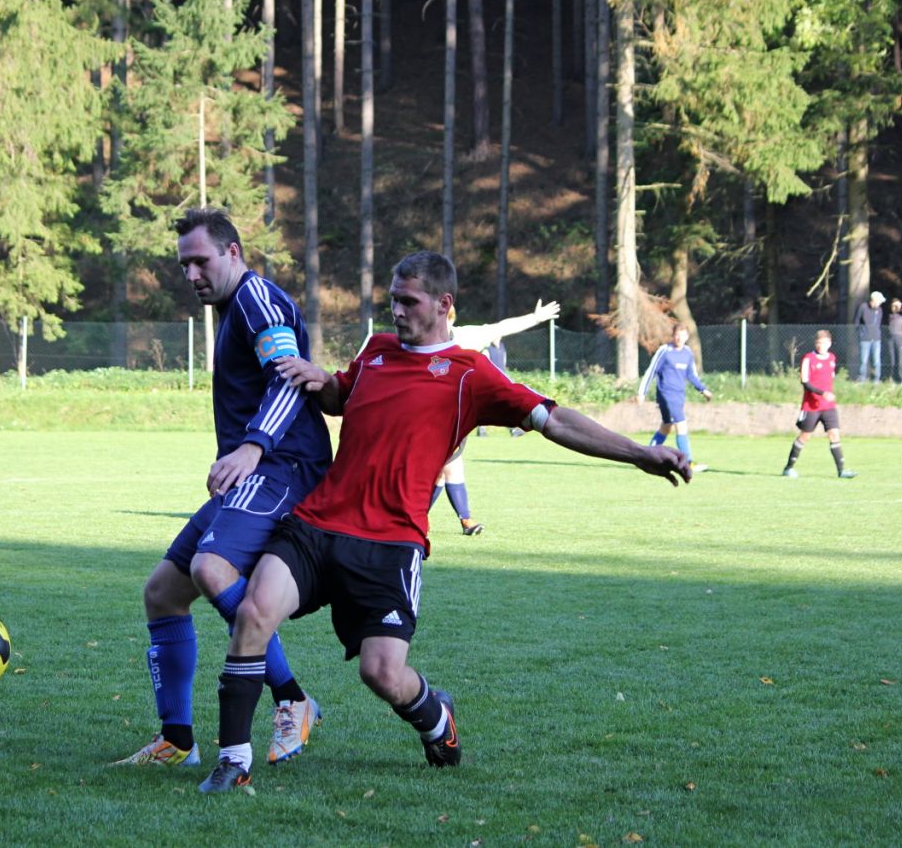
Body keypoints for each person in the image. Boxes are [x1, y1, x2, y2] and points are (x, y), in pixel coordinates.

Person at [196, 251, 691, 793]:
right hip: (318, 523)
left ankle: (436, 719)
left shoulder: (469, 373)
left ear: (443, 304)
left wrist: (640, 454)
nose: (396, 311)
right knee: (254, 612)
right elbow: (345, 396)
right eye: (392, 300)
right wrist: (322, 380)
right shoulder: (376, 351)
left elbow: (556, 421)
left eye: (408, 302)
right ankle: (233, 761)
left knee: (381, 673)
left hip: (389, 544)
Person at [114, 209, 333, 769]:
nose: (191, 275)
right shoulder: (235, 307)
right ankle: (177, 740)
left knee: (212, 569)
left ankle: (293, 700)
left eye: (200, 261)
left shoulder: (258, 300)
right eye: (183, 265)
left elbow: (290, 378)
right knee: (163, 592)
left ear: (233, 252)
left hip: (284, 466)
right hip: (253, 472)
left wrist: (253, 446)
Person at [431, 301, 560, 536]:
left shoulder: (465, 337)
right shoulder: (420, 342)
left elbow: (501, 327)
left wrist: (535, 318)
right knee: (448, 470)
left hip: (453, 419)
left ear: (450, 319)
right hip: (430, 419)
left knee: (446, 470)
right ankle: (458, 520)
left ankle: (430, 519)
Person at [781, 330, 857, 479]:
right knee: (805, 436)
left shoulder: (832, 358)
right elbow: (805, 382)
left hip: (828, 406)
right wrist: (822, 393)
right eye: (818, 343)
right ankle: (788, 468)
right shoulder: (808, 358)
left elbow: (829, 377)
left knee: (834, 434)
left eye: (823, 343)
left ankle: (842, 471)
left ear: (829, 344)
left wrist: (827, 395)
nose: (820, 346)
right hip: (811, 406)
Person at [637, 323, 713, 472]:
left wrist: (703, 389)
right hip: (666, 395)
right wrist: (642, 392)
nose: (679, 338)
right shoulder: (665, 351)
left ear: (687, 337)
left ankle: (647, 458)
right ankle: (687, 463)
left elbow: (691, 375)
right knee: (681, 426)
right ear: (673, 336)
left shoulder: (687, 353)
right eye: (677, 335)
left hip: (679, 396)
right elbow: (651, 371)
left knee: (666, 427)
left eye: (682, 336)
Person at [854, 291, 885, 383]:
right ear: (873, 300)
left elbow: (879, 323)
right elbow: (856, 321)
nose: (880, 303)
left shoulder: (880, 310)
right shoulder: (863, 307)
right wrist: (860, 333)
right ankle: (862, 379)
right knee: (863, 361)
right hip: (865, 339)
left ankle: (876, 380)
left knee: (877, 361)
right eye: (879, 301)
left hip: (876, 339)